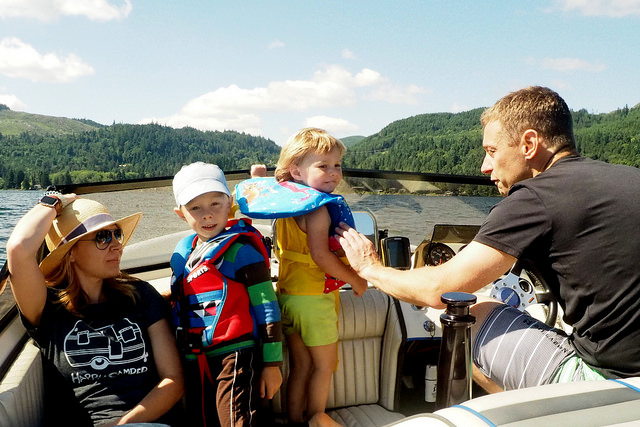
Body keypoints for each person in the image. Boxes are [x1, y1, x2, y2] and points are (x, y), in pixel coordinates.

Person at [336, 86, 640, 393]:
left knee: (466, 313)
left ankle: (525, 415)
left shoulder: (536, 197)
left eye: (492, 151)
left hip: (613, 385)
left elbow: (438, 290)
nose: (484, 166)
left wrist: (370, 268)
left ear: (529, 144)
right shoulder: (630, 177)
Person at [6, 193, 184, 426]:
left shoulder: (141, 295)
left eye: (116, 234)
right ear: (71, 254)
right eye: (102, 237)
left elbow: (173, 380)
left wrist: (124, 424)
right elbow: (18, 250)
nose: (117, 245)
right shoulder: (49, 308)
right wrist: (53, 202)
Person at [169, 162, 283, 427]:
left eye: (215, 204)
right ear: (180, 213)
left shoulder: (242, 252)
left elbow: (267, 308)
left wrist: (272, 365)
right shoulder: (184, 254)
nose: (207, 215)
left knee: (234, 421)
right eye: (195, 208)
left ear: (230, 203)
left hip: (236, 355)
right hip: (195, 356)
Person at [273, 128, 367, 424]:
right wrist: (356, 279)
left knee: (300, 366)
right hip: (313, 299)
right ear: (296, 171)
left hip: (287, 296)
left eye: (337, 165)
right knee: (324, 367)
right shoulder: (317, 210)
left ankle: (295, 421)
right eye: (322, 166)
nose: (333, 173)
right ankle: (316, 418)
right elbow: (321, 256)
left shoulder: (285, 204)